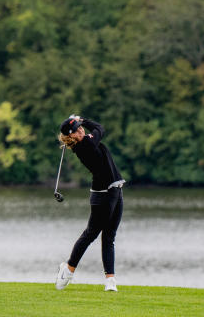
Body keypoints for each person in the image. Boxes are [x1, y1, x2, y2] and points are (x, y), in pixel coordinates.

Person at [54, 115, 125, 292]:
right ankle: (68, 271)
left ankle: (110, 281)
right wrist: (83, 119)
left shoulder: (84, 142)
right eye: (77, 129)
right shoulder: (84, 145)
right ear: (72, 136)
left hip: (115, 190)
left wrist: (78, 121)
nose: (81, 129)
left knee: (109, 237)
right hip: (103, 195)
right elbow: (100, 128)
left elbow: (97, 130)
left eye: (80, 126)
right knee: (90, 235)